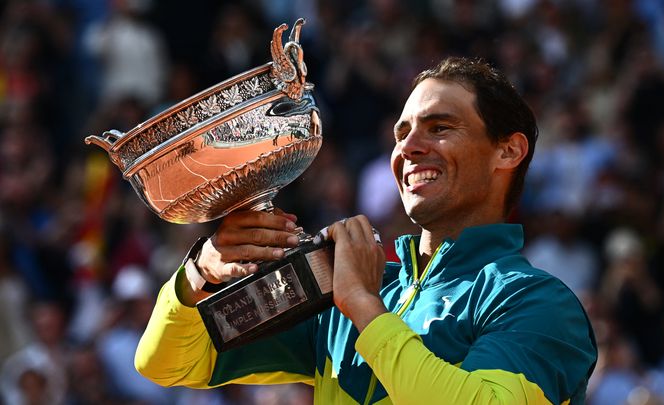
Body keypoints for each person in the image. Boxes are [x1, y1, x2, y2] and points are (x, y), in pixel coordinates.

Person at [135, 57, 597, 404]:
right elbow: (168, 363)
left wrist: (363, 307)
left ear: (508, 151)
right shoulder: (348, 293)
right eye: (401, 133)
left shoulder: (535, 302)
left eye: (440, 127)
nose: (409, 148)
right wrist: (199, 274)